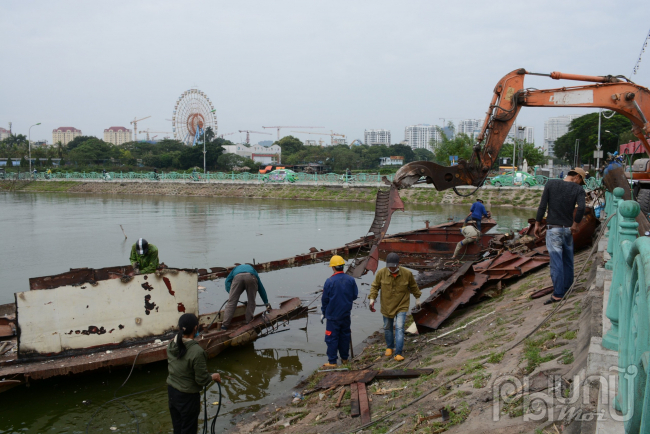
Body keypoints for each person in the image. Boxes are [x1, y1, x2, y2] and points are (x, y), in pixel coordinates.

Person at [534, 167, 586, 305]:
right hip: (568, 230)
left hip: (553, 229)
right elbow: (581, 208)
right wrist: (575, 224)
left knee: (556, 262)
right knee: (568, 260)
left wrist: (537, 224)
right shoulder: (578, 189)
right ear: (577, 177)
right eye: (581, 181)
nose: (580, 184)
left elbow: (542, 206)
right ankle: (568, 288)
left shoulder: (551, 183)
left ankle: (558, 294)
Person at [167, 313, 221, 434]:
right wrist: (213, 376)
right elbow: (201, 380)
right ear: (196, 328)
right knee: (189, 429)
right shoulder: (197, 351)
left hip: (172, 392)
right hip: (187, 397)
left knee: (178, 427)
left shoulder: (171, 344)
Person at [369, 253, 421, 361]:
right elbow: (375, 286)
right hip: (387, 305)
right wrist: (372, 299)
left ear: (399, 264)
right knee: (387, 327)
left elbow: (413, 287)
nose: (392, 268)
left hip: (402, 304)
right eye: (390, 266)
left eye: (394, 266)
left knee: (399, 327)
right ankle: (390, 347)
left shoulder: (407, 274)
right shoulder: (381, 273)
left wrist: (417, 298)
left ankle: (398, 352)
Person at [320, 255, 358, 368]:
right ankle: (345, 359)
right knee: (344, 336)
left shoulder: (329, 281)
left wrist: (323, 312)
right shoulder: (351, 279)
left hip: (332, 316)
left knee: (331, 338)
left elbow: (325, 300)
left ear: (333, 268)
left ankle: (332, 362)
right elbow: (354, 296)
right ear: (342, 266)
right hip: (346, 315)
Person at [222, 264, 271, 331]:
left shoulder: (235, 269)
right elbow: (261, 289)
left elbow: (227, 281)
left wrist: (231, 294)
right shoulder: (253, 270)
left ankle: (224, 325)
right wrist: (266, 303)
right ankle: (249, 322)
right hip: (251, 277)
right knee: (251, 301)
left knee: (232, 302)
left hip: (237, 277)